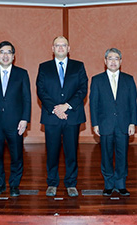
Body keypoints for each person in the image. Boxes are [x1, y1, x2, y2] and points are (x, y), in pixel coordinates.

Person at [36, 36, 88, 197]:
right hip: (51, 117)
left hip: (72, 115)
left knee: (71, 151)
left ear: (69, 48)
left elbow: (82, 88)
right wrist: (55, 109)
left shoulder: (78, 66)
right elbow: (41, 90)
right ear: (52, 49)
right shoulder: (44, 67)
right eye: (57, 45)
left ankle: (71, 183)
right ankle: (52, 183)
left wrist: (66, 106)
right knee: (51, 152)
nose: (60, 48)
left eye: (63, 45)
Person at [0, 41, 31, 197]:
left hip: (15, 122)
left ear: (13, 56)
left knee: (17, 155)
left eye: (8, 52)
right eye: (2, 52)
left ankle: (14, 185)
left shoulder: (22, 74)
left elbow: (27, 99)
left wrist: (25, 119)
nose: (5, 55)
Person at [89, 48, 137, 196]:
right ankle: (109, 183)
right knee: (106, 155)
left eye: (116, 58)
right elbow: (93, 103)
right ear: (105, 61)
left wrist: (132, 123)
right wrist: (95, 123)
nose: (113, 61)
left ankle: (121, 183)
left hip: (124, 124)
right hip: (105, 124)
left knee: (122, 155)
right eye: (110, 58)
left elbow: (133, 103)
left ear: (121, 61)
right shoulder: (97, 80)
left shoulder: (129, 79)